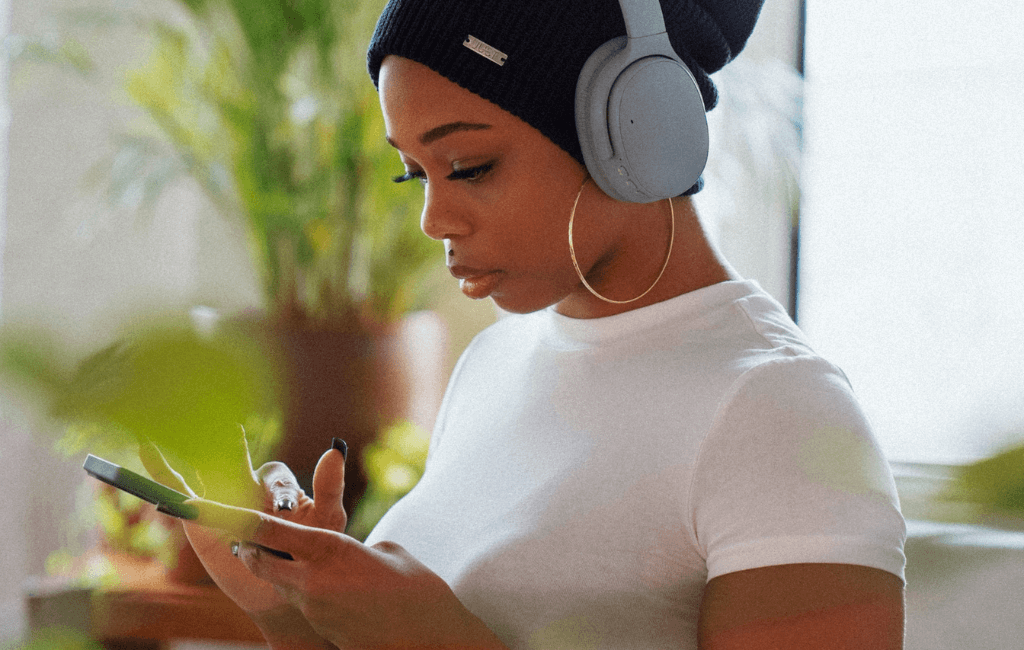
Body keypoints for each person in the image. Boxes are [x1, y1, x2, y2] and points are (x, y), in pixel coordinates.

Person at [143, 1, 908, 648]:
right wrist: (283, 602)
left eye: (469, 166)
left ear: (635, 131)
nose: (434, 217)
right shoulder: (494, 363)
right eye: (413, 172)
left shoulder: (780, 412)